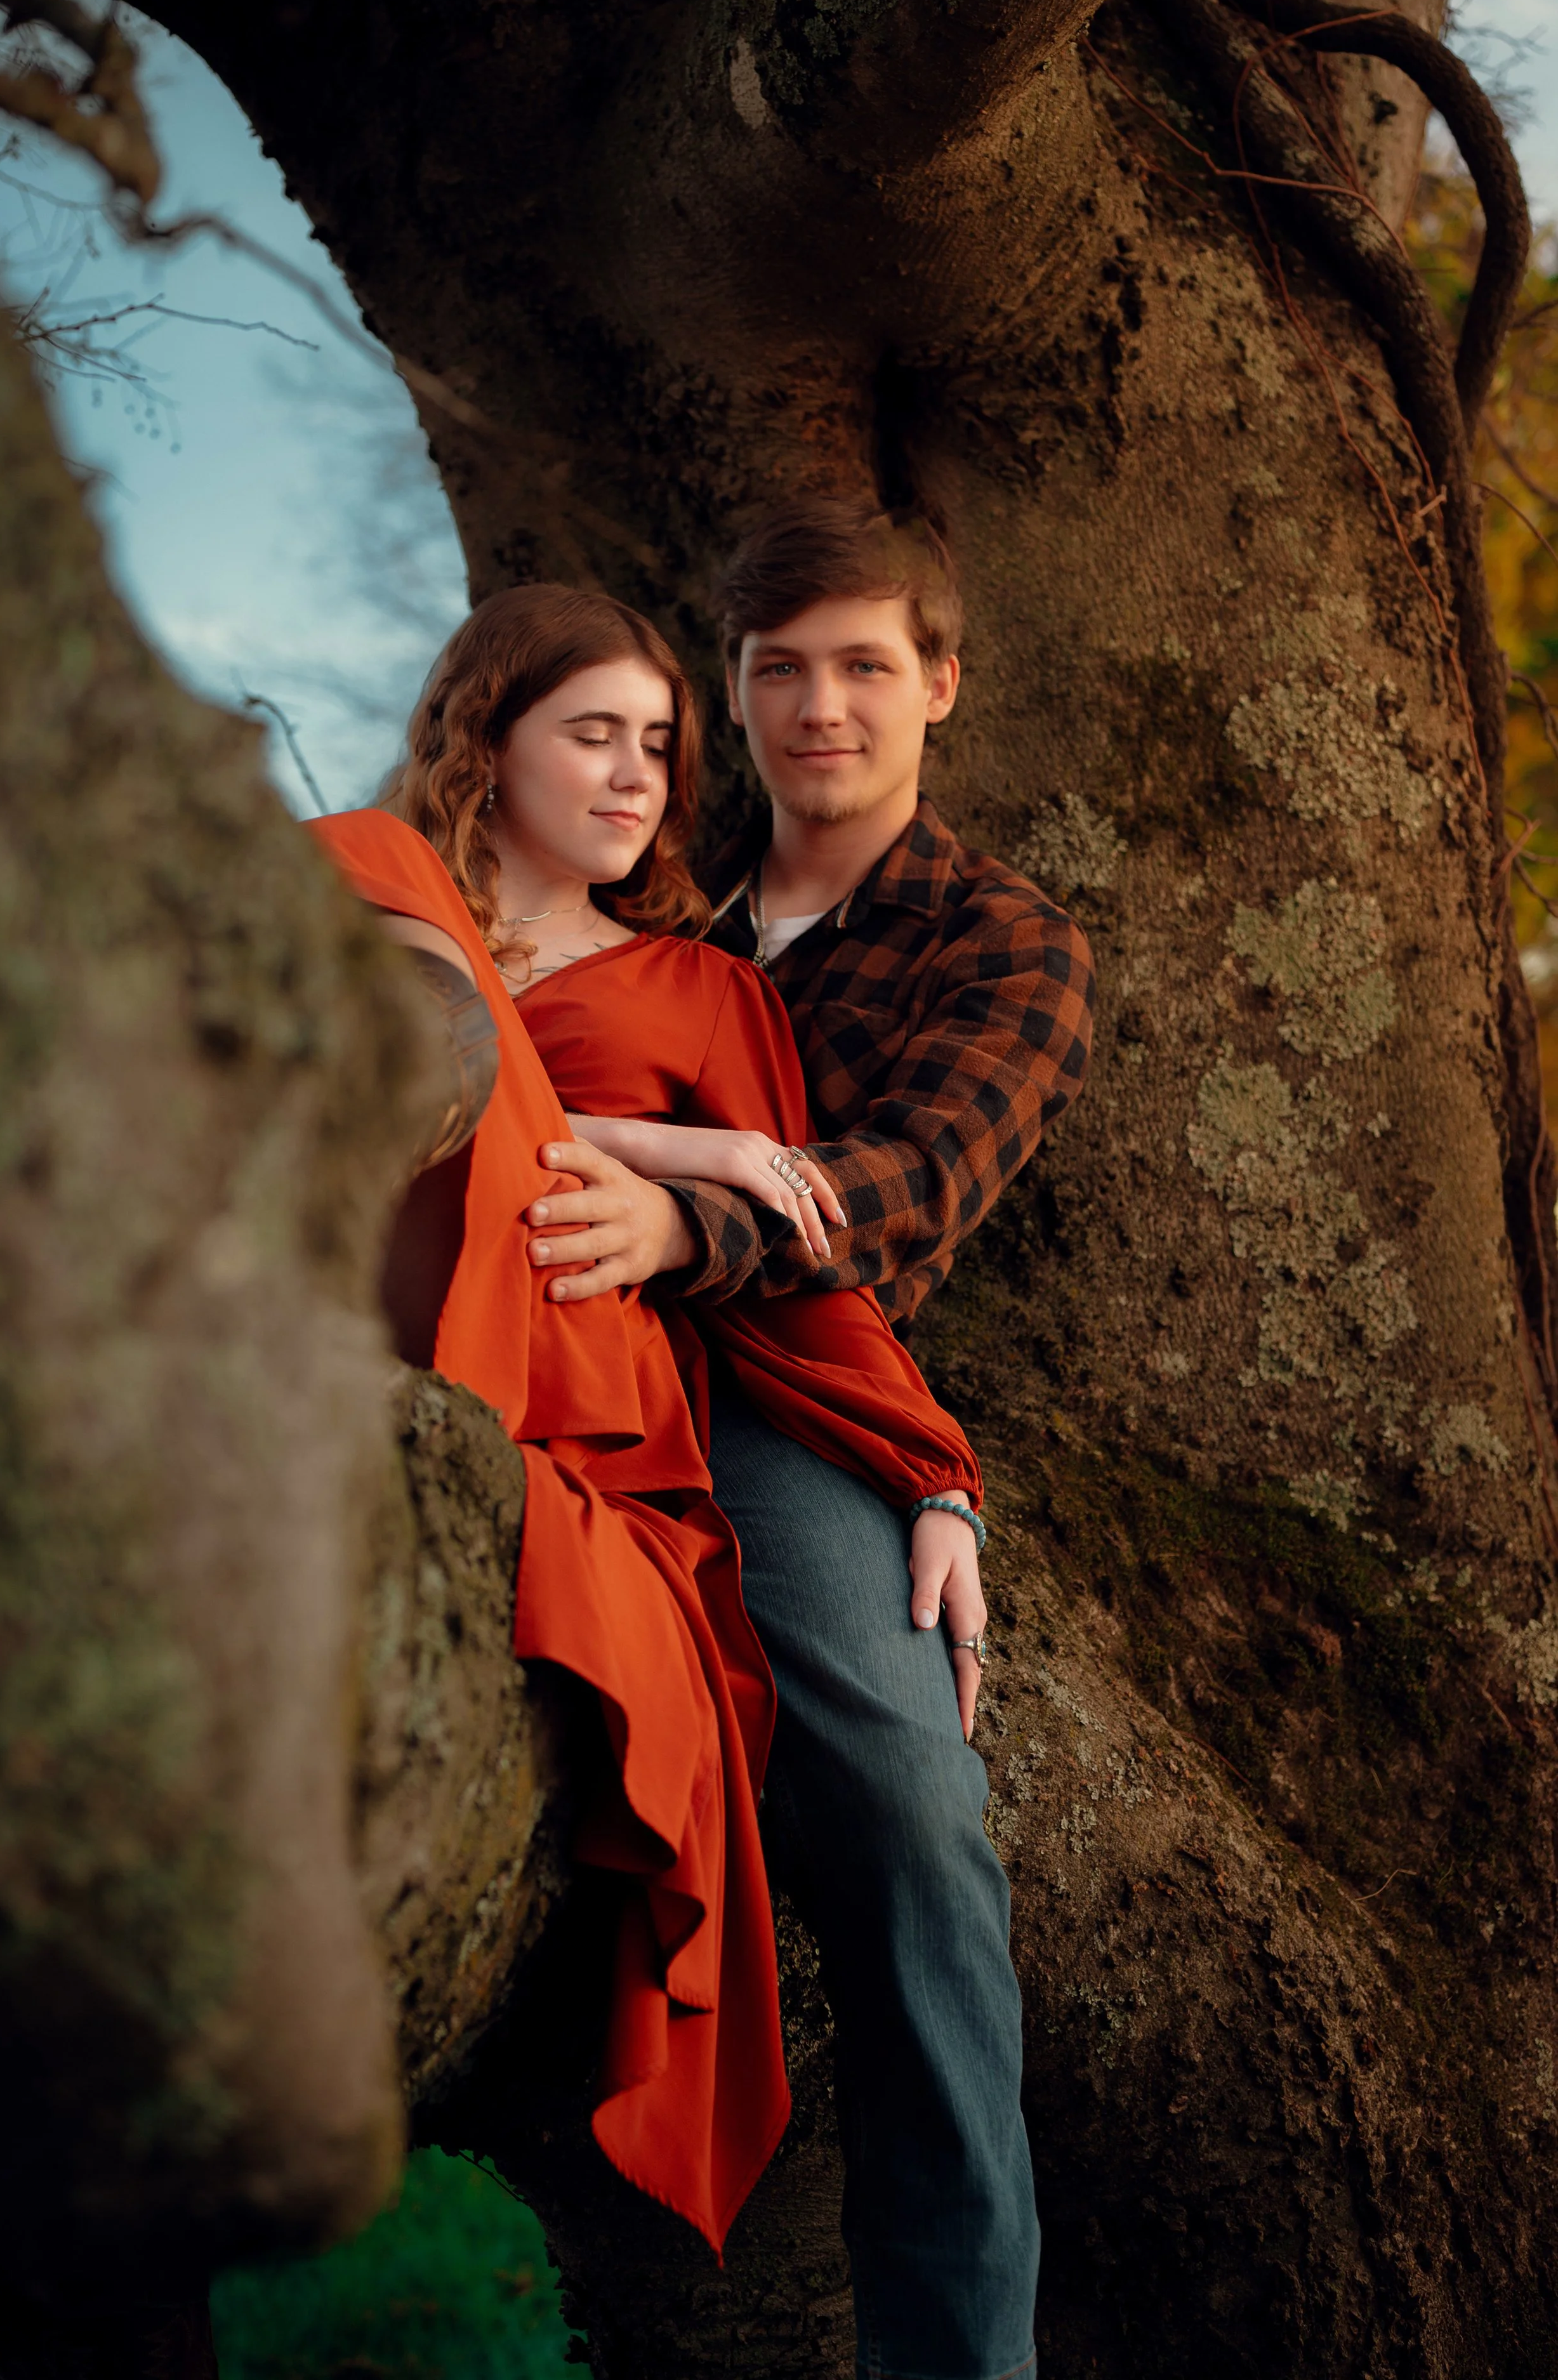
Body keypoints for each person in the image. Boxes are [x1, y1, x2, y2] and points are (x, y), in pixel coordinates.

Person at [314, 582, 995, 2261]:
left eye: (659, 746)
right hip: (358, 1311)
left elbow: (801, 1259)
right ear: (490, 734)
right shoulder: (381, 871)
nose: (634, 777)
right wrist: (668, 1149)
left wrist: (935, 1477)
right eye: (590, 733)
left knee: (908, 1799)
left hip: (605, 1377)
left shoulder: (702, 993)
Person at [523, 502, 1095, 2380]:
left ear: (938, 685)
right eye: (780, 670)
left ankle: (960, 2354)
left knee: (918, 1814)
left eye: (864, 667)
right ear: (734, 688)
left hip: (774, 1398)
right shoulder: (637, 885)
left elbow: (908, 1187)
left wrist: (694, 1230)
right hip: (534, 1351)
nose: (820, 706)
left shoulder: (1001, 941)